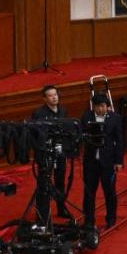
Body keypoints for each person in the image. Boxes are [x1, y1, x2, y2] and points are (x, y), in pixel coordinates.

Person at [80, 92, 124, 229]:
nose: (100, 109)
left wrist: (119, 161)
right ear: (93, 106)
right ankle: (89, 220)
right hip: (90, 162)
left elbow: (120, 141)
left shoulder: (115, 118)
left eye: (103, 106)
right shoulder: (86, 117)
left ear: (107, 106)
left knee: (109, 192)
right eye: (97, 106)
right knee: (89, 193)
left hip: (108, 162)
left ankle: (111, 219)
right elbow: (81, 136)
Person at [31, 84, 73, 221]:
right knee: (44, 182)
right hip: (46, 153)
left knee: (60, 181)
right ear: (44, 98)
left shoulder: (63, 110)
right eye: (50, 95)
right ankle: (43, 213)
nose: (54, 97)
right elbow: (36, 135)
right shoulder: (39, 114)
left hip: (60, 152)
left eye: (55, 94)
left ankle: (61, 208)